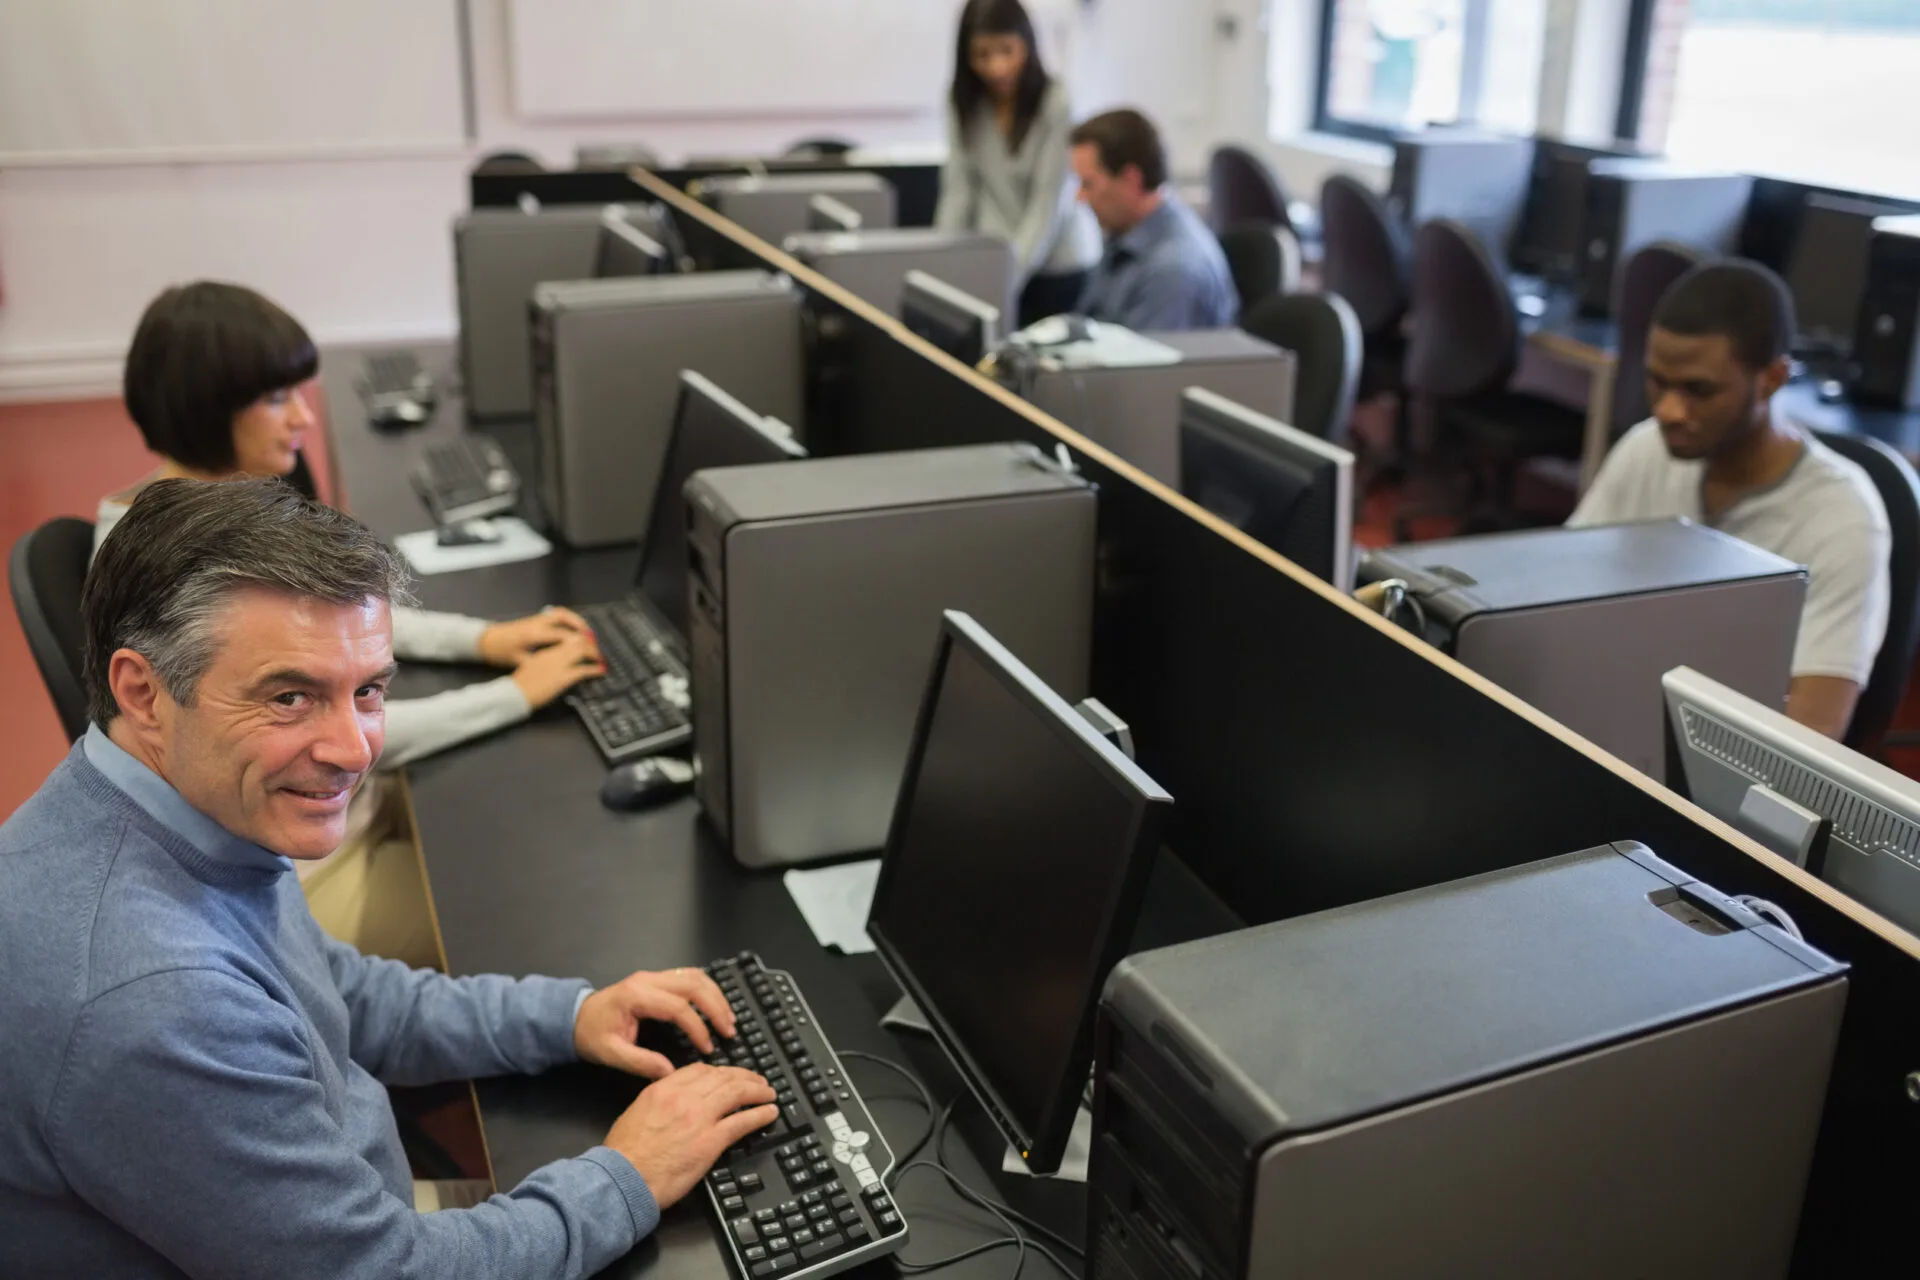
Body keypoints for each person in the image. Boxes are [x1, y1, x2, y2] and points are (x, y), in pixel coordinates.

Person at [0, 477, 774, 1276]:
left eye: (368, 690)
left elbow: (334, 992)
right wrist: (629, 1175)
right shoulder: (156, 1001)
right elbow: (386, 1270)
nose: (354, 749)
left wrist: (567, 1017)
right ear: (142, 692)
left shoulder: (172, 809)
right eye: (290, 697)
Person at [101, 281, 606, 966]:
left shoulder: (209, 508)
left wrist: (485, 640)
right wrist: (514, 695)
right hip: (284, 883)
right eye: (276, 398)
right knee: (525, 909)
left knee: (524, 820)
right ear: (204, 405)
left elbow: (338, 616)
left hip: (330, 816)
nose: (303, 418)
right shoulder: (171, 563)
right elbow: (325, 742)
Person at [1570, 260, 1891, 740]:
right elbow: (1557, 600)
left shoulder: (1843, 519)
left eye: (1698, 390)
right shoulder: (1646, 449)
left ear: (1772, 379)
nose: (1668, 411)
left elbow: (1811, 733)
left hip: (1727, 756)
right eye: (1657, 381)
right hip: (1621, 720)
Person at [935, 0, 1099, 329]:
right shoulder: (964, 101)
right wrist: (942, 266)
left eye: (1006, 50)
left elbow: (1047, 204)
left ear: (1027, 45)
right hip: (995, 260)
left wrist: (1006, 278)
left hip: (1057, 266)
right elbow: (958, 190)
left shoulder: (1056, 101)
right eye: (982, 54)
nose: (997, 67)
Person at [1068, 108, 1236, 333]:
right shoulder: (1124, 233)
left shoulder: (1172, 271)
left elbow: (1143, 356)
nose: (1080, 197)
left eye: (1088, 184)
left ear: (1131, 180)